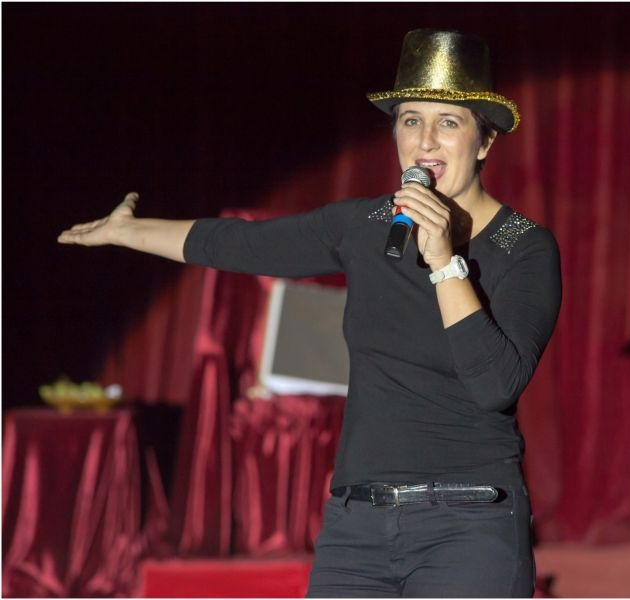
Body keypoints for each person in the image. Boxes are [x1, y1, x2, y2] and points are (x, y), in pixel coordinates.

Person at [59, 29, 562, 598]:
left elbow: (496, 383)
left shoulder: (523, 245)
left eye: (448, 122)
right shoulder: (367, 226)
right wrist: (129, 232)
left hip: (469, 523)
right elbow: (240, 243)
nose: (425, 140)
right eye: (410, 120)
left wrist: (445, 262)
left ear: (485, 140)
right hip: (358, 527)